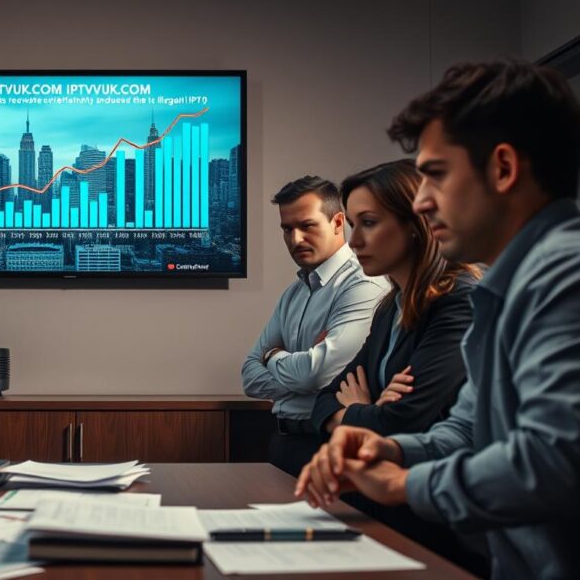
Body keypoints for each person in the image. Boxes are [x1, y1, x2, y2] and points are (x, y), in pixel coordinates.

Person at [295, 59, 580, 580]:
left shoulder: (564, 278)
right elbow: (466, 431)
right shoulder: (508, 288)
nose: (423, 202)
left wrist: (405, 483)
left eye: (437, 175)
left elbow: (553, 461)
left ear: (503, 168)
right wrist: (388, 446)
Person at [310, 159, 480, 437]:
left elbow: (401, 421)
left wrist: (358, 409)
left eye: (369, 222)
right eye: (354, 224)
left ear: (417, 223)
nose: (354, 241)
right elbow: (324, 403)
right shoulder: (390, 307)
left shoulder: (459, 301)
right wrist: (373, 411)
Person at [242, 176, 388, 476]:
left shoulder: (363, 284)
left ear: (337, 223)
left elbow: (320, 372)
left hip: (327, 445)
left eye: (307, 225)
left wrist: (273, 358)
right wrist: (304, 373)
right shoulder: (293, 294)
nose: (295, 239)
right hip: (282, 443)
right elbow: (249, 377)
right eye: (287, 229)